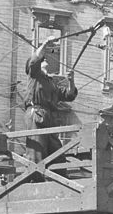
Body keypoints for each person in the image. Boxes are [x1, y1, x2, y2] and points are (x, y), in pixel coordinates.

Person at [25, 36, 78, 164]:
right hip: (36, 114)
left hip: (49, 117)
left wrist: (71, 80)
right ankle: (35, 179)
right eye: (44, 60)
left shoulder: (51, 82)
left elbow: (69, 95)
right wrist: (45, 44)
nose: (47, 61)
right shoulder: (35, 75)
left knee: (56, 152)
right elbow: (33, 61)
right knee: (37, 151)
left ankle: (57, 179)